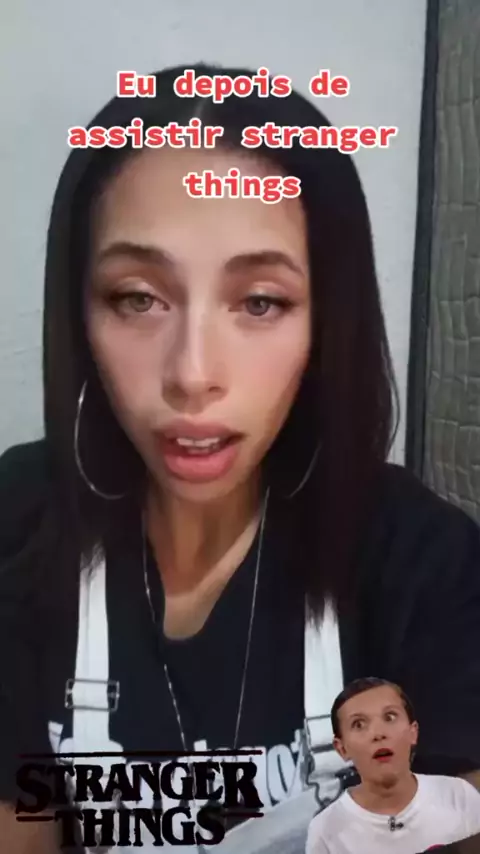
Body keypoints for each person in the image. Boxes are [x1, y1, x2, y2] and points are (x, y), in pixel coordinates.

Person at [1, 63, 480, 854]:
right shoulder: (18, 526)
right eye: (138, 298)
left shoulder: (422, 563)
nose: (192, 375)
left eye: (260, 302)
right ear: (80, 313)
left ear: (326, 319)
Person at [305, 678, 480, 853]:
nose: (378, 734)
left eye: (390, 717)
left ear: (413, 732)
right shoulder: (326, 831)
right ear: (342, 748)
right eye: (359, 724)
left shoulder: (458, 795)